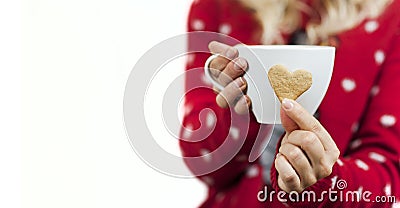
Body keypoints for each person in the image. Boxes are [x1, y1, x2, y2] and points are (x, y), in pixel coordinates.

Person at [179, 0, 400, 207]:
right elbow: (200, 162)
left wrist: (327, 183)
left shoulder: (391, 18)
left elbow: (388, 177)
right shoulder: (218, 6)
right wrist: (242, 114)